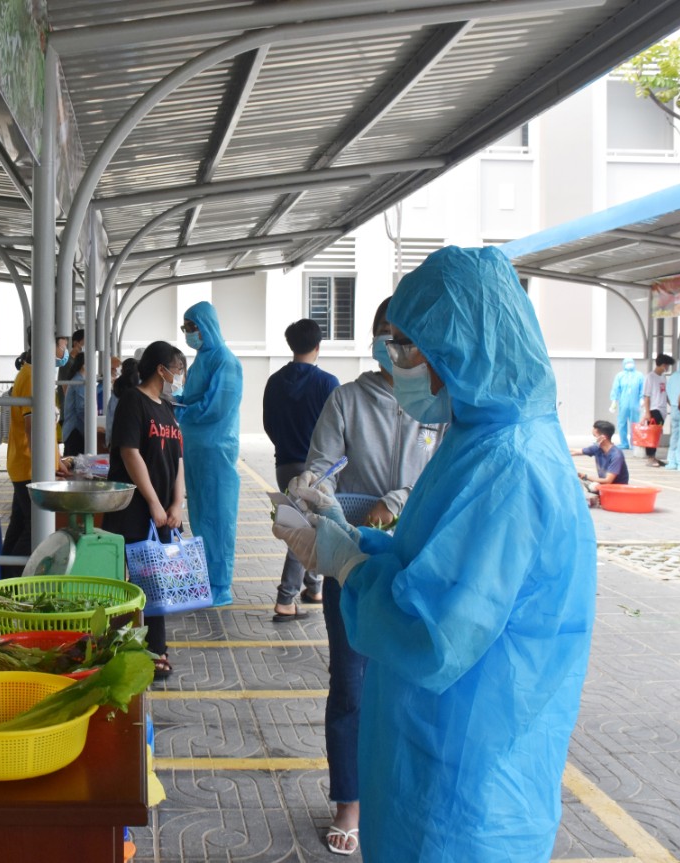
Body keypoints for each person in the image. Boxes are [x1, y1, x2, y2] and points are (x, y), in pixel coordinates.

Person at [274, 245, 595, 862]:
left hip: (463, 793)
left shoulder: (510, 465)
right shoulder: (477, 438)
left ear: (459, 347)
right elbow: (433, 565)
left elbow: (435, 634)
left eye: (405, 347)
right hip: (432, 755)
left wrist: (347, 565)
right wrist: (351, 539)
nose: (396, 363)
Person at [293, 297, 442, 855]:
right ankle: (349, 801)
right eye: (386, 335)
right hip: (354, 561)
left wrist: (398, 498)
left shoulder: (438, 403)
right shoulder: (347, 399)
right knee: (351, 685)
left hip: (421, 562)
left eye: (404, 338)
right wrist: (314, 492)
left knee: (412, 683)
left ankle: (400, 793)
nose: (394, 348)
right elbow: (322, 466)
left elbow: (444, 473)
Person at [103, 342, 187, 680]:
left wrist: (176, 503)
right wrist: (152, 501)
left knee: (156, 584)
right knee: (132, 585)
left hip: (165, 514)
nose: (179, 378)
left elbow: (178, 460)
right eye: (177, 371)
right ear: (161, 370)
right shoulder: (133, 402)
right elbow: (130, 453)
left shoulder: (167, 408)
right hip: (135, 511)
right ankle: (128, 648)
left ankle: (156, 650)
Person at [263, 318, 339, 620]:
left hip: (285, 463)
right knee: (304, 528)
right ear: (318, 346)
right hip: (316, 468)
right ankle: (285, 599)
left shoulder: (274, 381)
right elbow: (337, 430)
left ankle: (313, 586)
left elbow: (268, 424)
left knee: (302, 522)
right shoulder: (328, 383)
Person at [177, 301, 244, 606]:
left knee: (219, 519)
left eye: (192, 327)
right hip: (196, 450)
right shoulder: (202, 358)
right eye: (186, 328)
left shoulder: (225, 361)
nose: (189, 333)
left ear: (207, 326)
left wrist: (180, 412)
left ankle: (220, 585)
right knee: (201, 517)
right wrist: (171, 400)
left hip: (217, 452)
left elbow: (215, 406)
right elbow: (191, 397)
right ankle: (205, 578)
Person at [3, 330, 70, 578]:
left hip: (27, 465)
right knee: (34, 531)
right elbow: (33, 430)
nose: (64, 351)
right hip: (30, 467)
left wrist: (56, 460)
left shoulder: (35, 375)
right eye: (63, 344)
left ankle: (4, 580)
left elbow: (44, 430)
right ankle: (13, 583)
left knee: (20, 527)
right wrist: (47, 466)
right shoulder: (32, 378)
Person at [569, 419, 628, 506]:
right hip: (602, 486)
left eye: (595, 436)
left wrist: (585, 476)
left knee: (585, 486)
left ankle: (596, 499)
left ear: (603, 437)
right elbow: (575, 451)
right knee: (574, 478)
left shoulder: (616, 455)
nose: (594, 440)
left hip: (615, 489)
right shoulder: (597, 448)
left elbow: (608, 481)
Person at [640, 353, 674, 466]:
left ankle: (654, 457)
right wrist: (647, 412)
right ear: (663, 365)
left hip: (662, 410)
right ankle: (650, 458)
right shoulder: (650, 377)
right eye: (667, 365)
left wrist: (672, 404)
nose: (668, 368)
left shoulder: (663, 377)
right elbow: (647, 396)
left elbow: (666, 394)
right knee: (652, 435)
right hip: (654, 409)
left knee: (657, 435)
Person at [609, 357, 642, 450]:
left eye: (631, 362)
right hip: (623, 404)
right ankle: (624, 443)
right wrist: (614, 401)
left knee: (635, 424)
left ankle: (634, 442)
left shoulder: (639, 375)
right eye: (627, 363)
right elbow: (616, 389)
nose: (629, 364)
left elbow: (642, 388)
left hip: (635, 404)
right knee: (622, 422)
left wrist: (642, 399)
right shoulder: (620, 376)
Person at [61, 354, 87, 457]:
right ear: (84, 365)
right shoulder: (79, 381)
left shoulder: (76, 379)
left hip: (71, 430)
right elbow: (81, 408)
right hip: (75, 430)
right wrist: (93, 425)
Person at [107, 357, 138, 435]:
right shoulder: (139, 388)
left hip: (117, 435)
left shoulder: (117, 387)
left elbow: (111, 416)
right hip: (133, 437)